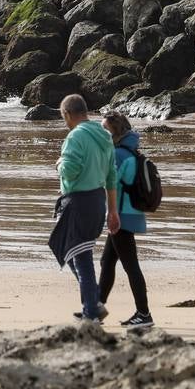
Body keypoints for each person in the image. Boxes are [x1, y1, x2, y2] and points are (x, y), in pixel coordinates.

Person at [49, 93, 119, 322]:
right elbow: (111, 176)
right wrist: (113, 211)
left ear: (67, 114)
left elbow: (70, 170)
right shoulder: (105, 136)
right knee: (69, 250)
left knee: (81, 258)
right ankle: (93, 302)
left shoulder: (75, 136)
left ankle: (91, 313)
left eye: (63, 117)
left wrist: (59, 164)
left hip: (79, 202)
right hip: (97, 201)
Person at [99, 112, 153, 329]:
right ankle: (95, 308)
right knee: (107, 261)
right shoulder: (130, 150)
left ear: (115, 132)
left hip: (121, 216)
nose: (102, 133)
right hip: (126, 214)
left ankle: (144, 313)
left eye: (105, 130)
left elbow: (107, 182)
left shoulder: (119, 154)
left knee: (131, 266)